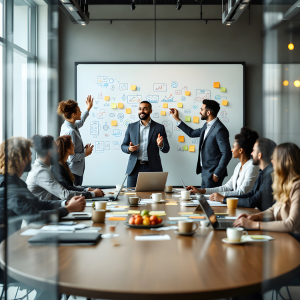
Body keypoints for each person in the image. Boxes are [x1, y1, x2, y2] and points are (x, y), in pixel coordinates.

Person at [0, 137, 86, 242]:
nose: (31, 159)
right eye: (29, 155)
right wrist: (68, 209)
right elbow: (34, 217)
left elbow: (38, 204)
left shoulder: (17, 182)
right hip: (6, 245)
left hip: (12, 240)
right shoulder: (8, 186)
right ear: (21, 158)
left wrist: (66, 203)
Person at [233, 143, 300, 233]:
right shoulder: (286, 184)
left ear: (284, 163)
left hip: (294, 241)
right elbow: (273, 210)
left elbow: (291, 224)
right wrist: (256, 216)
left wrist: (254, 225)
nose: (272, 161)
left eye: (274, 159)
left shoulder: (297, 186)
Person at [170, 99, 231, 188]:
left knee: (210, 200)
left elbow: (227, 153)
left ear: (208, 112)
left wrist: (217, 173)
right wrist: (177, 119)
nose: (200, 112)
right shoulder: (206, 126)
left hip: (213, 173)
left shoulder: (220, 129)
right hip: (205, 172)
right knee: (203, 198)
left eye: (202, 109)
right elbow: (191, 133)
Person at [187, 127, 260, 200]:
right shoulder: (239, 166)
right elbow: (227, 187)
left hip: (247, 208)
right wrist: (202, 190)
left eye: (233, 147)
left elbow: (241, 192)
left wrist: (220, 196)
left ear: (240, 150)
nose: (231, 150)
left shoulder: (252, 167)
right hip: (236, 204)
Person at [210, 137, 277, 211]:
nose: (251, 153)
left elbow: (253, 201)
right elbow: (251, 194)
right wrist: (224, 199)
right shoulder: (262, 172)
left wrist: (224, 199)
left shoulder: (270, 175)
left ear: (259, 155)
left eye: (254, 151)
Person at [26, 135, 91, 201]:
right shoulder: (41, 171)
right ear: (50, 153)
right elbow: (65, 194)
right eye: (56, 149)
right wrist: (91, 194)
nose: (59, 150)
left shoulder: (41, 168)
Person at [121, 101, 170, 188]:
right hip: (134, 168)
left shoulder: (159, 127)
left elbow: (166, 149)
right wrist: (129, 149)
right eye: (140, 109)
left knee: (155, 196)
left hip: (152, 168)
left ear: (150, 111)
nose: (142, 111)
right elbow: (123, 146)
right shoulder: (131, 127)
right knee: (131, 195)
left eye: (145, 109)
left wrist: (161, 144)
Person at [58, 95, 94, 186]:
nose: (80, 112)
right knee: (76, 195)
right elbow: (71, 157)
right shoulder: (70, 131)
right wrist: (86, 153)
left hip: (76, 171)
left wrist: (88, 109)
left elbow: (81, 122)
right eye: (79, 111)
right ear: (73, 114)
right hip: (74, 172)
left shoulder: (69, 124)